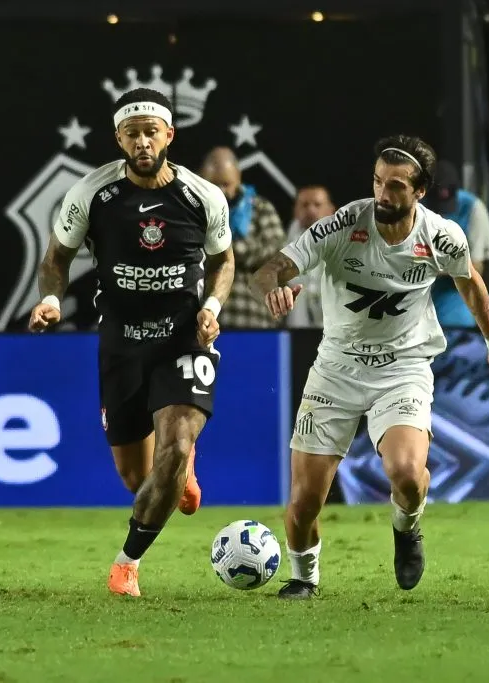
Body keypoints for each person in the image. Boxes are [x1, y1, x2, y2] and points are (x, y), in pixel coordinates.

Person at [252, 135, 489, 599]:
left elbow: (469, 281)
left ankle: (407, 529)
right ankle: (304, 578)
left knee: (409, 476)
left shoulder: (441, 235)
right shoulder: (341, 226)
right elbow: (271, 268)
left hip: (403, 367)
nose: (382, 194)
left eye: (395, 186)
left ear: (420, 191)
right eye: (377, 182)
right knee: (304, 501)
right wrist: (274, 286)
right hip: (336, 369)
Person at [28, 88, 235, 597]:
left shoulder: (202, 196)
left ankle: (127, 563)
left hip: (184, 340)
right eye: (132, 133)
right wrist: (52, 301)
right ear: (119, 139)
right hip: (120, 343)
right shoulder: (91, 195)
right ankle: (175, 472)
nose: (142, 142)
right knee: (136, 478)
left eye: (151, 131)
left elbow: (223, 261)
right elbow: (56, 258)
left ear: (169, 134)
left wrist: (211, 308)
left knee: (178, 441)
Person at [199, 146, 287, 329]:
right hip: (204, 320)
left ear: (238, 177)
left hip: (254, 317)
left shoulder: (260, 207)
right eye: (215, 184)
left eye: (226, 184)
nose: (221, 191)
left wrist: (225, 249)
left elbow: (278, 252)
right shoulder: (193, 210)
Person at [428, 160, 489, 328]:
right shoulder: (417, 207)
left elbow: (475, 268)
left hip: (456, 317)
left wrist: (429, 267)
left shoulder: (473, 208)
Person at [285, 185, 336, 328]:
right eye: (305, 205)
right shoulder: (282, 245)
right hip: (297, 330)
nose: (311, 210)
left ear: (331, 210)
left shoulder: (349, 243)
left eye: (317, 205)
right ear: (295, 211)